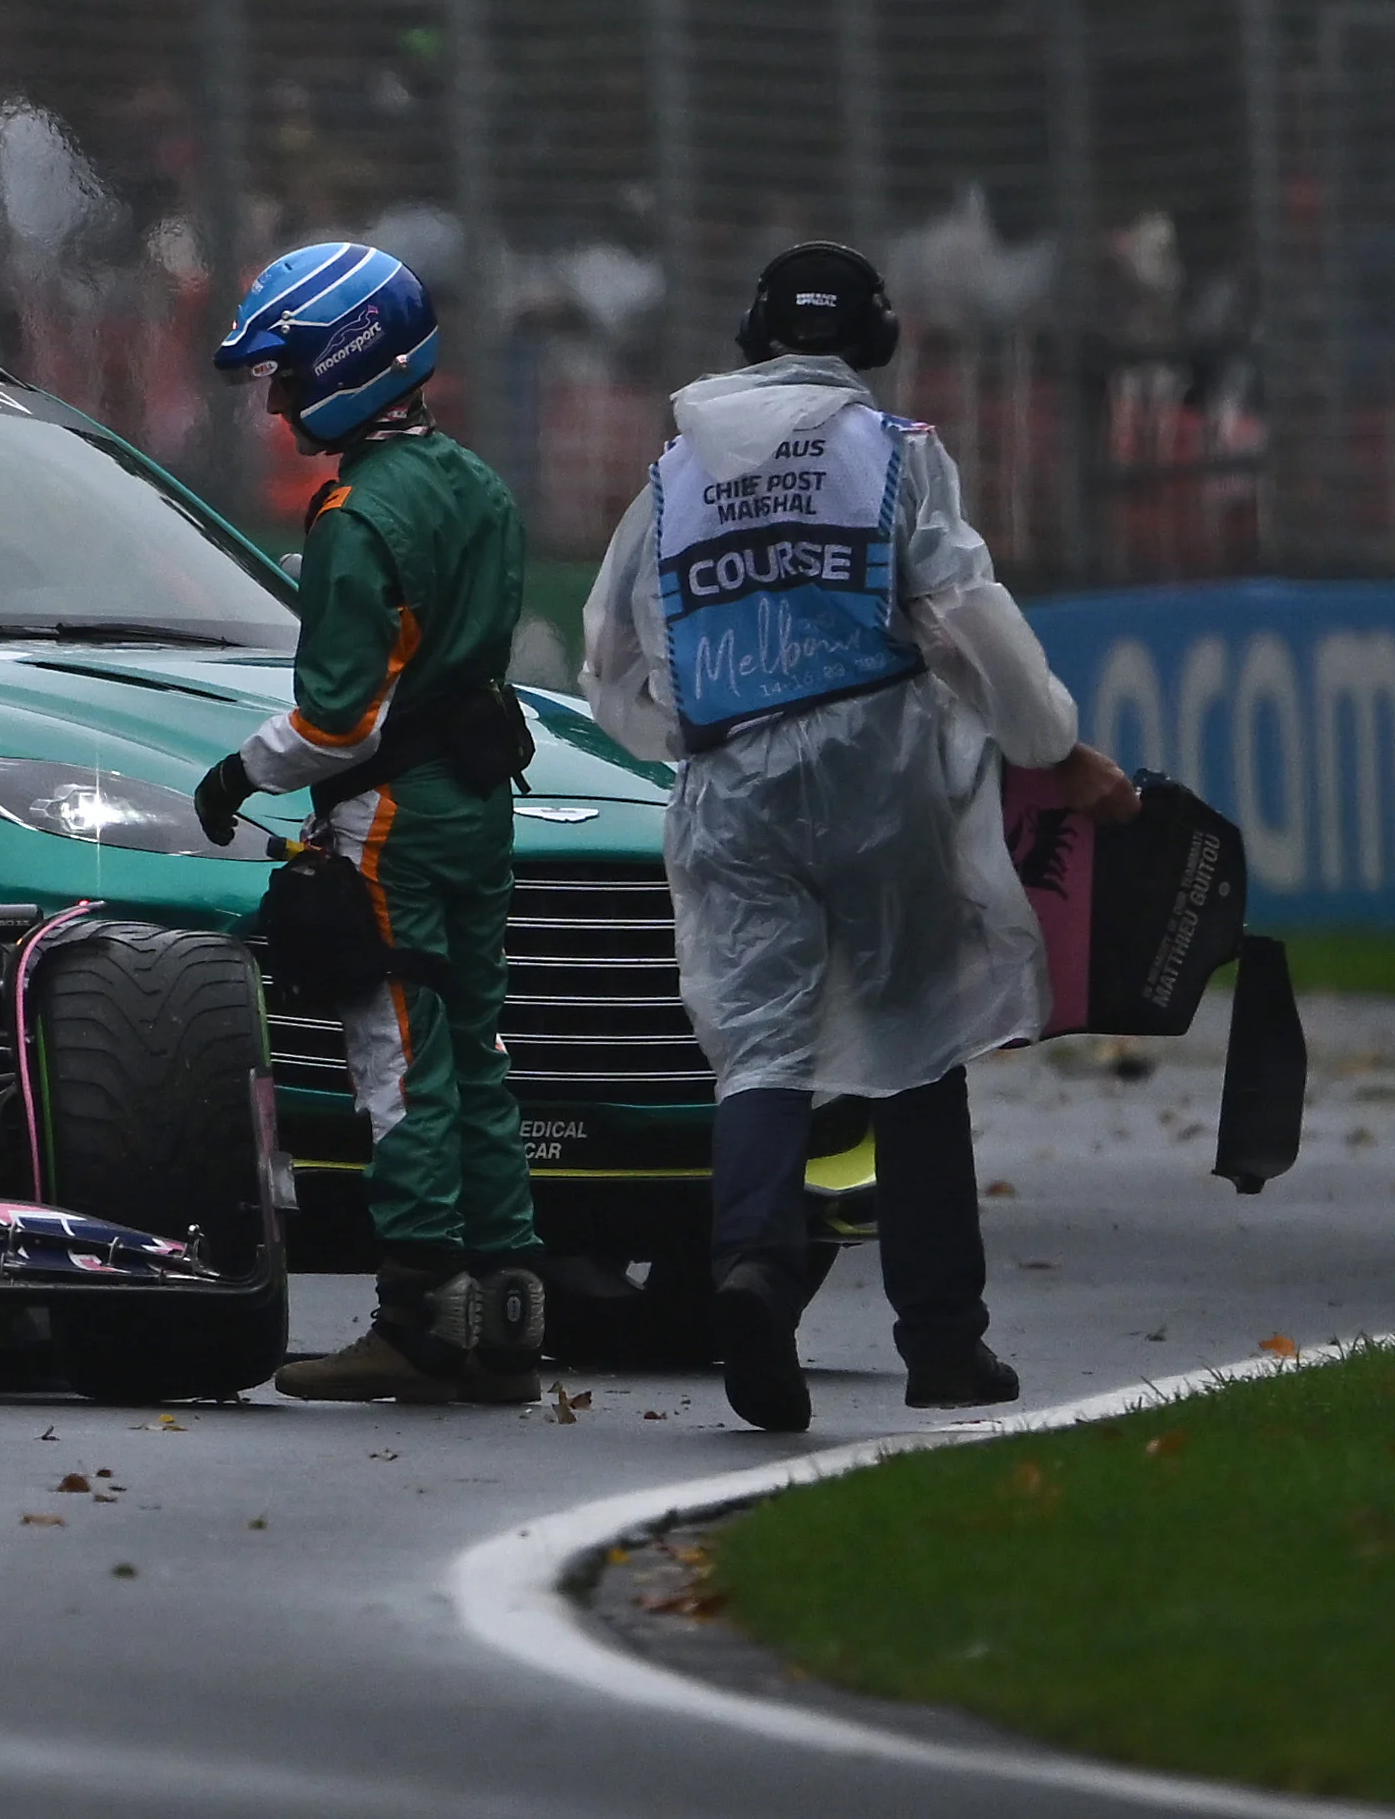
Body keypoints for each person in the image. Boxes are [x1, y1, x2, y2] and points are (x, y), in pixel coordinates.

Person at [579, 240, 1140, 1432]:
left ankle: (750, 1272)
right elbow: (965, 622)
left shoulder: (671, 473)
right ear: (873, 343)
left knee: (760, 1050)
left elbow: (608, 659)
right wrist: (1054, 752)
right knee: (917, 1042)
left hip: (728, 779)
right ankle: (942, 1343)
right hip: (879, 771)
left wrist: (684, 731)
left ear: (751, 337)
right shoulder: (895, 458)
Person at [189, 242, 546, 1407]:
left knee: (399, 1060)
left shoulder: (353, 515)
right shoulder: (480, 487)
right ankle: (505, 1317)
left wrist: (239, 773)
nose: (280, 398)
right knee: (480, 1052)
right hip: (481, 807)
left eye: (288, 371)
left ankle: (415, 1321)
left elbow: (337, 722)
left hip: (389, 816)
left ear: (343, 361)